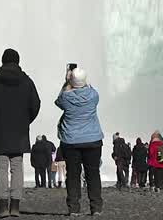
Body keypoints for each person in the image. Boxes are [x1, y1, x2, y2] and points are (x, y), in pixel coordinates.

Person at [0, 48, 41, 218]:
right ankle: (15, 206)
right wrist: (25, 120)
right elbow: (35, 104)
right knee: (17, 167)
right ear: (18, 61)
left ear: (2, 61)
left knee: (1, 168)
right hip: (20, 131)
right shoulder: (27, 81)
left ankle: (2, 206)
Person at [56, 66, 103, 217]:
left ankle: (74, 208)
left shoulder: (66, 97)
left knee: (73, 175)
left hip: (71, 141)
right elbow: (89, 87)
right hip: (93, 140)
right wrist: (79, 81)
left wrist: (67, 82)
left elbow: (59, 101)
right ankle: (96, 208)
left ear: (71, 80)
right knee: (93, 174)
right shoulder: (93, 96)